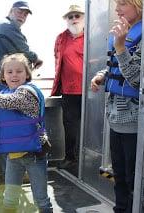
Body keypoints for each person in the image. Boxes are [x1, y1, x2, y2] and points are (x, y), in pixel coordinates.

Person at [0, 53, 52, 213]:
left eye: (19, 71)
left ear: (27, 74)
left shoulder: (27, 93)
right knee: (10, 198)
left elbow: (13, 101)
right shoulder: (1, 95)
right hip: (12, 157)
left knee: (41, 199)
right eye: (10, 72)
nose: (14, 75)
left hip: (35, 155)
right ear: (3, 76)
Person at [91, 0, 143, 212]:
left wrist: (121, 46)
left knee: (132, 177)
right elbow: (115, 66)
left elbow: (138, 79)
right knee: (120, 174)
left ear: (138, 6)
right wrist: (102, 76)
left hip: (133, 118)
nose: (117, 8)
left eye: (123, 4)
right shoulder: (124, 32)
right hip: (115, 116)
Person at [0, 0, 43, 178]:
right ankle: (8, 173)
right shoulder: (6, 26)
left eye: (25, 14)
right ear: (11, 11)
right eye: (19, 11)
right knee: (6, 128)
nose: (22, 16)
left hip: (4, 86)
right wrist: (36, 58)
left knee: (8, 126)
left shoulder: (5, 28)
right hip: (4, 87)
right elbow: (24, 51)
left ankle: (11, 171)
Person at [51, 4, 85, 169]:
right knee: (70, 126)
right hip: (68, 91)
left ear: (83, 18)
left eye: (77, 15)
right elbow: (57, 61)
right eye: (70, 16)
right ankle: (71, 158)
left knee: (90, 127)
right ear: (66, 19)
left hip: (90, 91)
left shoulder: (92, 37)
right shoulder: (60, 37)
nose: (73, 19)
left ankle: (88, 160)